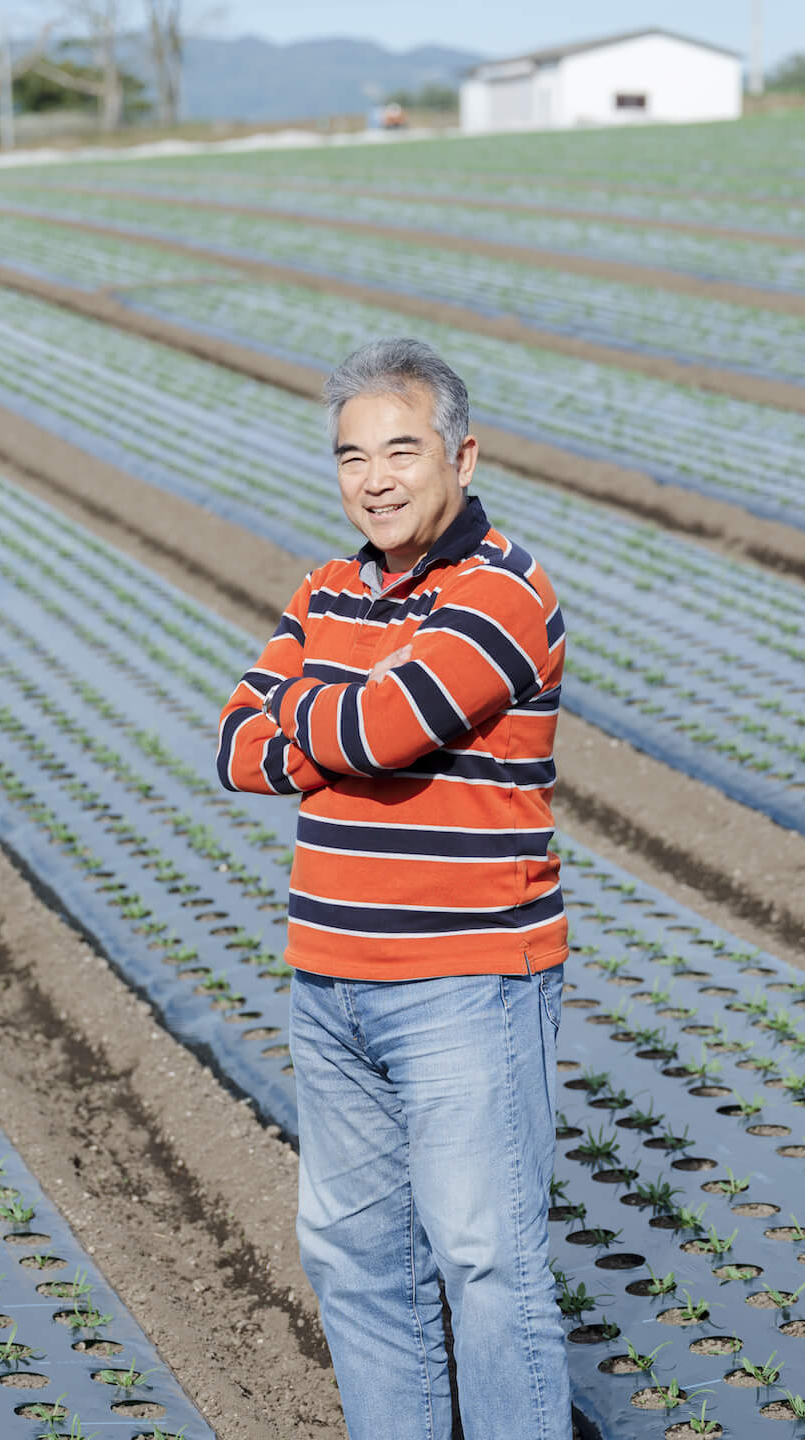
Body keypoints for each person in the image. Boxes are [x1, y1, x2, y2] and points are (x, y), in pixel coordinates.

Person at [217, 337, 570, 1438]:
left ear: (463, 457)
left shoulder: (504, 593)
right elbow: (236, 745)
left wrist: (318, 721)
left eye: (399, 450)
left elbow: (381, 727)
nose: (373, 477)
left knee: (488, 1265)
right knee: (358, 1265)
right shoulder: (326, 586)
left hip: (464, 982)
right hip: (329, 984)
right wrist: (341, 726)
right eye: (350, 455)